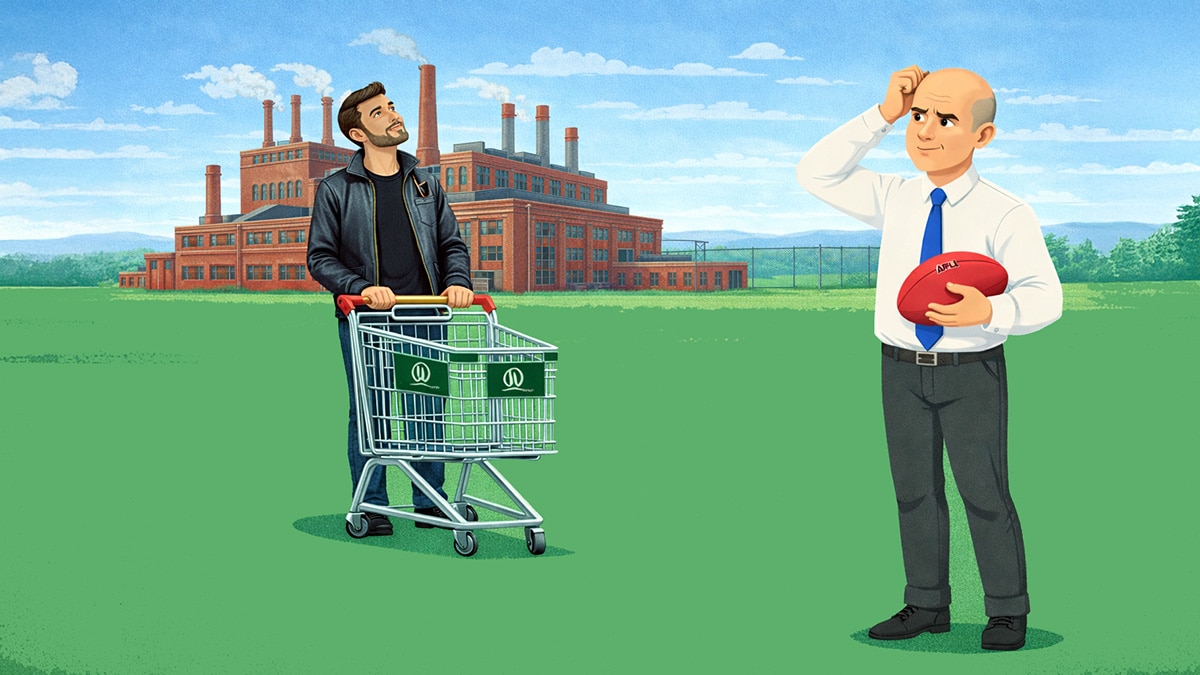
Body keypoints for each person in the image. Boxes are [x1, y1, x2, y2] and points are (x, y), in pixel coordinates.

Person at [796, 66, 1062, 651]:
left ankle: (1007, 611)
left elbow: (1047, 297)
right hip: (898, 369)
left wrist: (989, 313)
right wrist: (882, 113)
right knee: (913, 491)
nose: (925, 131)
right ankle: (926, 604)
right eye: (919, 115)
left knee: (984, 492)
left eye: (945, 119)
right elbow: (813, 171)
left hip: (973, 374)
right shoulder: (895, 197)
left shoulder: (1004, 212)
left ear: (981, 136)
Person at [307, 81, 473, 536]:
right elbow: (320, 257)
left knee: (428, 410)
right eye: (378, 113)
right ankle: (371, 506)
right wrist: (361, 288)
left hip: (425, 315)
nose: (393, 115)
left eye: (392, 107)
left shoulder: (425, 184)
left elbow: (452, 244)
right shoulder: (337, 189)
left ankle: (431, 503)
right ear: (358, 133)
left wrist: (457, 282)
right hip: (368, 320)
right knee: (370, 410)